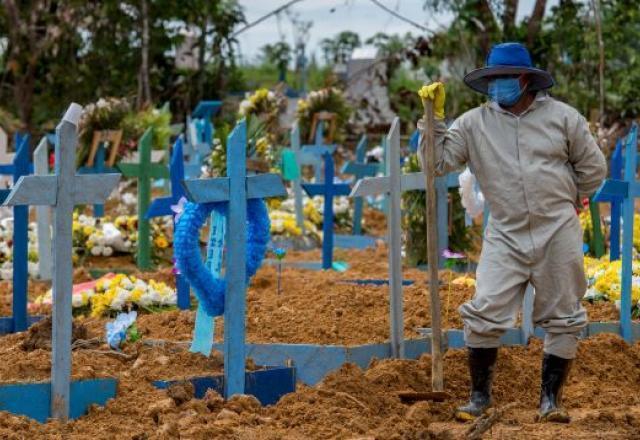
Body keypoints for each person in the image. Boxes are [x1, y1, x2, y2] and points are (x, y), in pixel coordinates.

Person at [417, 42, 607, 423]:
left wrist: (572, 199)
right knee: (485, 309)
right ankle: (479, 397)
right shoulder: (473, 124)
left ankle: (550, 400)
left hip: (557, 228)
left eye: (503, 78)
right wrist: (432, 121)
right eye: (491, 79)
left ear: (524, 80)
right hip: (504, 231)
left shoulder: (564, 119)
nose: (497, 86)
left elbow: (593, 169)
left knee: (563, 314)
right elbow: (435, 164)